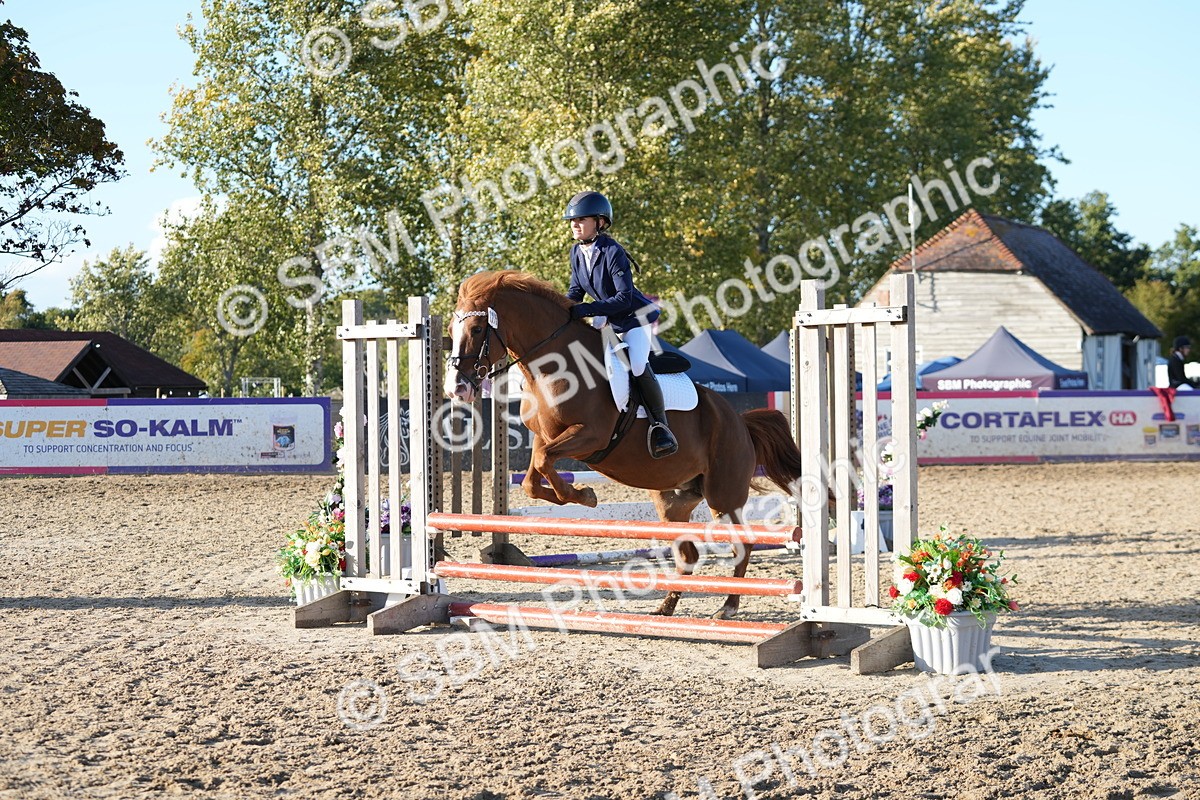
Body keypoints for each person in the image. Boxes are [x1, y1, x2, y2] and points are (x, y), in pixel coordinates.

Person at [563, 190, 678, 458]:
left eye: (581, 219)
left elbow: (624, 298)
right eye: (572, 220)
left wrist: (588, 310)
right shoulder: (576, 253)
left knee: (637, 364)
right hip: (609, 322)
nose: (575, 224)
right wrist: (561, 308)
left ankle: (661, 426)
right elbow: (575, 292)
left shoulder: (613, 251)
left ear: (600, 222)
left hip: (633, 318)